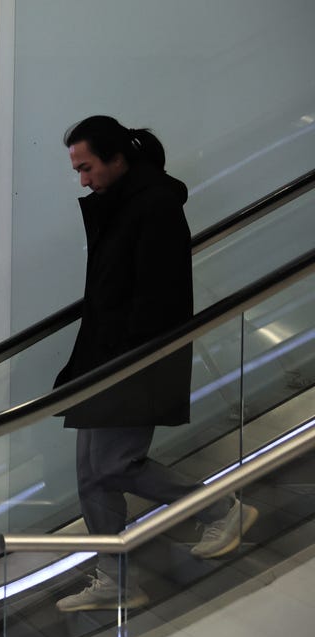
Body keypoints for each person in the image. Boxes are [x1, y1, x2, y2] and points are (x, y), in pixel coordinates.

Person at [52, 116, 257, 612]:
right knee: (91, 473)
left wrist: (129, 359)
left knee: (114, 464)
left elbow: (159, 295)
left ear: (118, 158)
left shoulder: (155, 204)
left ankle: (219, 509)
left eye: (87, 167)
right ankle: (114, 579)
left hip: (134, 358)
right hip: (105, 356)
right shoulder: (119, 203)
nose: (83, 179)